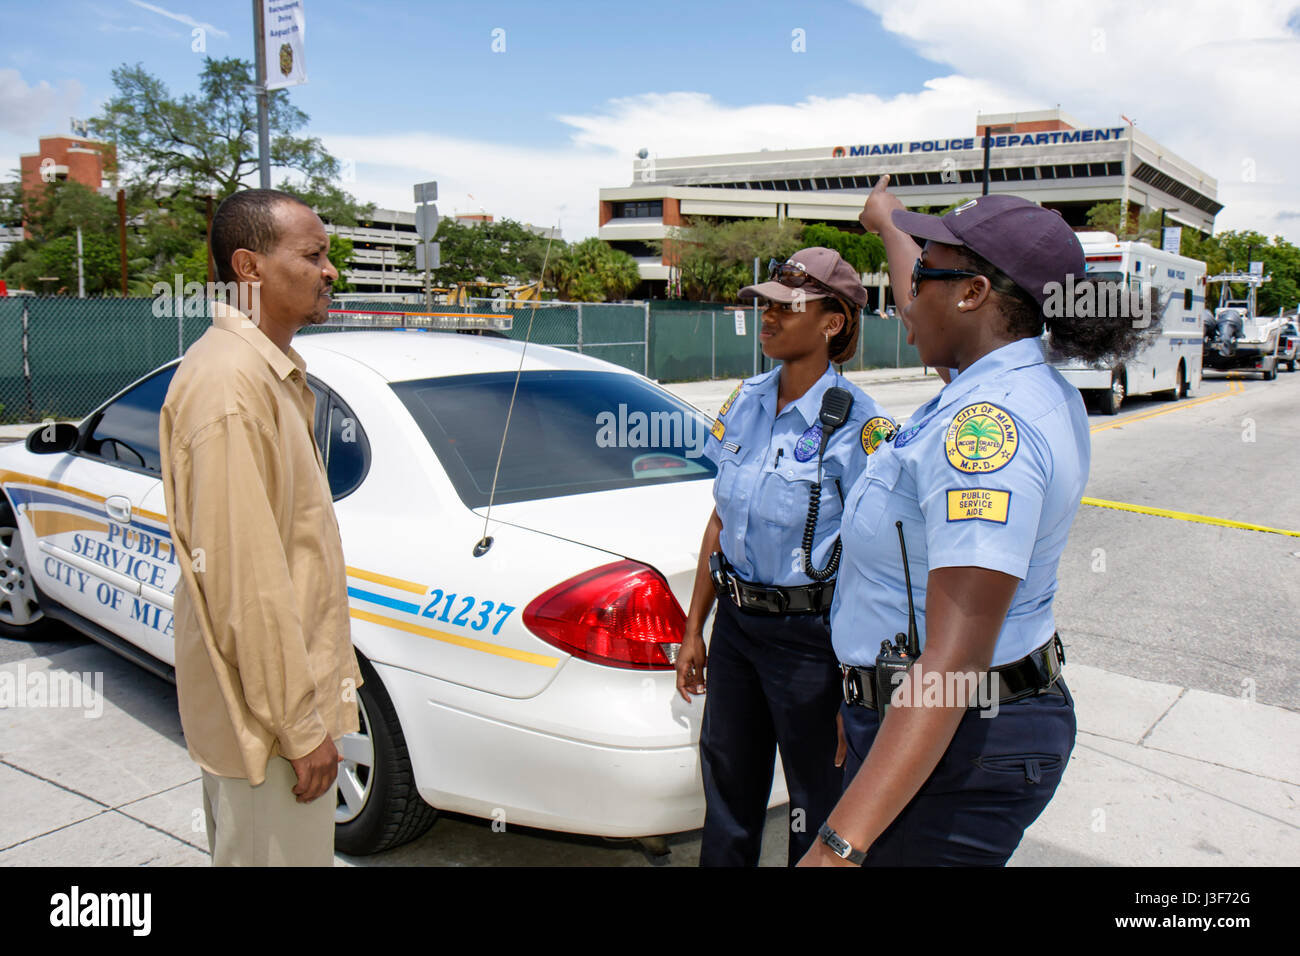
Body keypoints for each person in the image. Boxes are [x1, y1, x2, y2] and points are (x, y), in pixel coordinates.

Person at [801, 180, 1145, 867]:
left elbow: (954, 662)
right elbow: (922, 304)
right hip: (929, 723)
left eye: (925, 272)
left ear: (973, 294)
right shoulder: (1003, 381)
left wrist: (838, 847)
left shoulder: (987, 431)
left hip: (958, 741)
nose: (906, 295)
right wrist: (887, 226)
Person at [675, 247, 898, 866]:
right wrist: (696, 627)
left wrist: (857, 685)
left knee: (817, 802)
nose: (767, 319)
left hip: (813, 643)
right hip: (738, 631)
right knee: (727, 791)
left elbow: (877, 564)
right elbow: (721, 519)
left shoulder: (862, 427)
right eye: (764, 307)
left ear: (834, 323)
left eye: (786, 308)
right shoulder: (745, 398)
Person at [159, 188, 361, 866]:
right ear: (249, 267)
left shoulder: (260, 373)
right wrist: (300, 730)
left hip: (272, 720)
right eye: (313, 255)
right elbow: (247, 584)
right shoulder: (231, 388)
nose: (329, 270)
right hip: (269, 735)